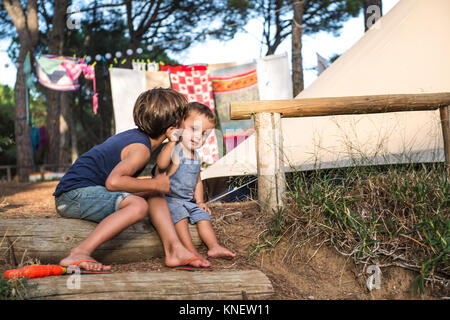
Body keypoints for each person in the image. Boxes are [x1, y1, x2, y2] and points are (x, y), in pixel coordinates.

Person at [54, 88, 211, 271]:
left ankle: (174, 250)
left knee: (155, 193)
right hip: (73, 196)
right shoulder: (140, 149)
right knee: (138, 205)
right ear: (173, 128)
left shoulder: (139, 139)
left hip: (87, 193)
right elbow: (113, 182)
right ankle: (80, 251)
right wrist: (154, 183)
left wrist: (154, 187)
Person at [156, 102, 236, 262]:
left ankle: (214, 246)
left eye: (205, 134)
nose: (199, 136)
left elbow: (198, 181)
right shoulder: (175, 148)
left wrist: (200, 201)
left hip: (189, 201)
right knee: (181, 217)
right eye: (194, 129)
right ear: (179, 125)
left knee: (203, 216)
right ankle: (189, 249)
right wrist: (172, 141)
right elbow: (161, 164)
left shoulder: (197, 156)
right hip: (170, 200)